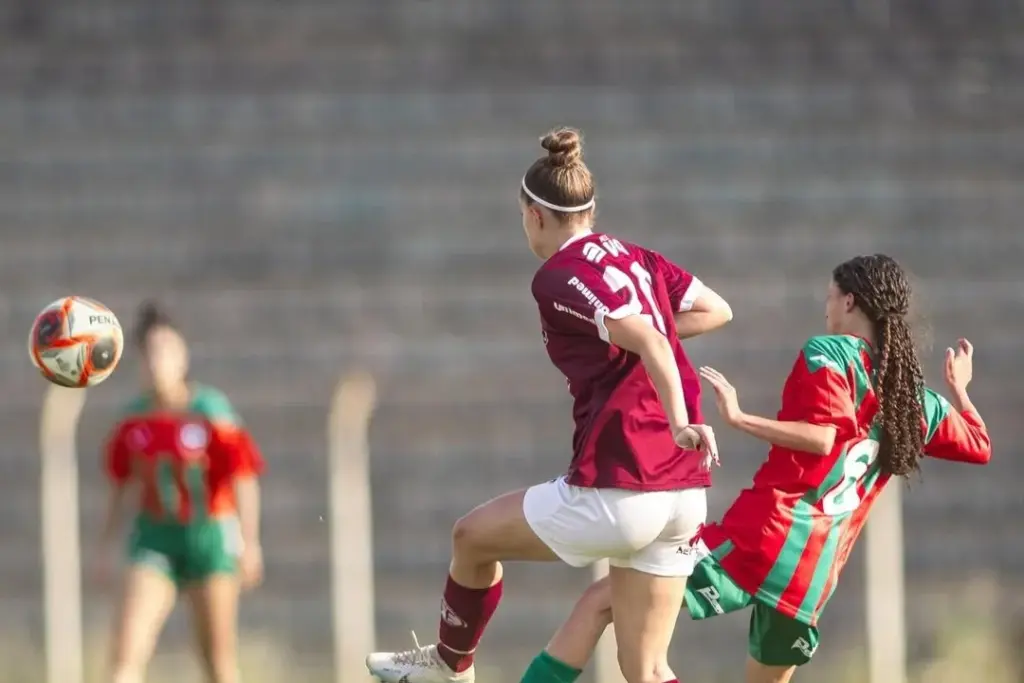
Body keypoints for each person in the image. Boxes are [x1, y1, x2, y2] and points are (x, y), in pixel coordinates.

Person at [365, 127, 734, 683]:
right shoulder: (635, 256)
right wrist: (644, 351)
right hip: (684, 492)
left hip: (625, 481)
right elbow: (716, 309)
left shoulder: (559, 276)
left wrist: (679, 417)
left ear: (534, 215)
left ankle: (447, 666)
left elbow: (653, 341)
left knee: (471, 537)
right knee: (647, 669)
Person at [516, 254, 992, 683]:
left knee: (601, 603)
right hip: (813, 575)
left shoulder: (829, 354)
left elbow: (824, 438)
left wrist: (740, 418)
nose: (826, 309)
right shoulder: (915, 405)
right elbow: (979, 444)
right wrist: (960, 390)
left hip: (762, 539)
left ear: (850, 301)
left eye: (830, 298)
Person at [97, 302, 266, 683]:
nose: (157, 362)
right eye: (149, 354)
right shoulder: (133, 420)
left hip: (210, 540)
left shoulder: (210, 411)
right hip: (155, 538)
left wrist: (250, 542)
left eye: (165, 351)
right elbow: (120, 486)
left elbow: (243, 476)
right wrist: (106, 545)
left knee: (217, 661)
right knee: (125, 653)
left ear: (182, 357)